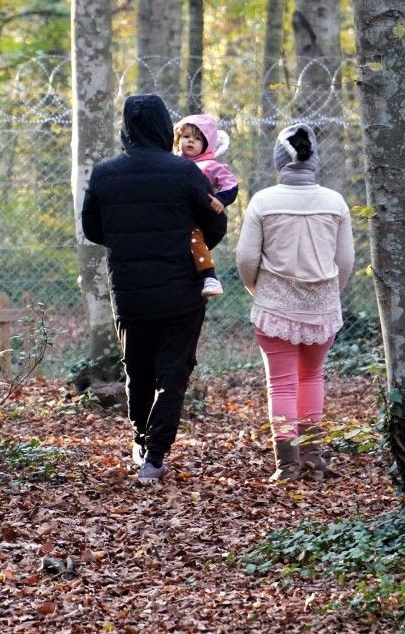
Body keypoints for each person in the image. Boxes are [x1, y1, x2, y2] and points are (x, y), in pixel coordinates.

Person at [81, 94, 227, 484]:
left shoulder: (104, 174)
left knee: (138, 371)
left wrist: (128, 240)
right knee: (173, 374)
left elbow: (93, 229)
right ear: (165, 126)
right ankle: (155, 455)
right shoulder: (184, 172)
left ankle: (141, 442)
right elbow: (212, 223)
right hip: (181, 292)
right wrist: (189, 248)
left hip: (128, 293)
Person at [235, 122, 353, 481]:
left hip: (274, 306)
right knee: (312, 377)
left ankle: (287, 464)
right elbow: (345, 260)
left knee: (282, 384)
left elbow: (245, 258)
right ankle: (314, 458)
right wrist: (331, 291)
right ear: (313, 159)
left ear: (278, 160)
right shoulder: (334, 202)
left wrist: (257, 290)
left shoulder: (263, 201)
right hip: (322, 307)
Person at [174, 114, 239, 298]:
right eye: (186, 137)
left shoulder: (209, 165)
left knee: (194, 238)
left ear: (206, 143)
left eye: (197, 138)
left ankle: (209, 276)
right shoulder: (173, 163)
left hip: (197, 217)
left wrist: (222, 199)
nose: (190, 141)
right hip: (177, 214)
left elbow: (231, 183)